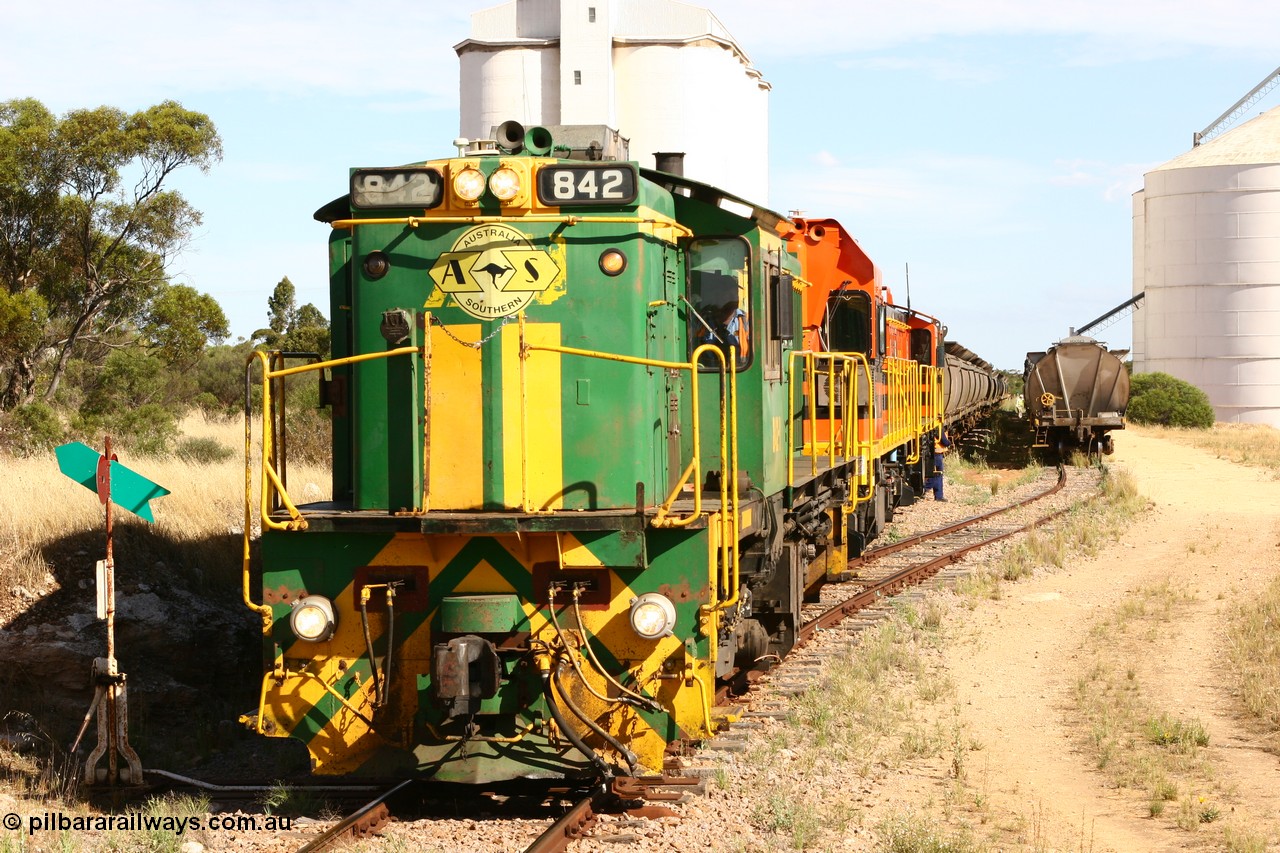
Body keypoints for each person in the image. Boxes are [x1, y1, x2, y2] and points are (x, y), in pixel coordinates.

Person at [927, 429, 952, 501]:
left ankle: (931, 491)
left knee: (934, 473)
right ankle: (938, 495)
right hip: (937, 453)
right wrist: (948, 442)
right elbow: (944, 441)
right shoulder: (938, 426)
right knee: (938, 474)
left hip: (933, 452)